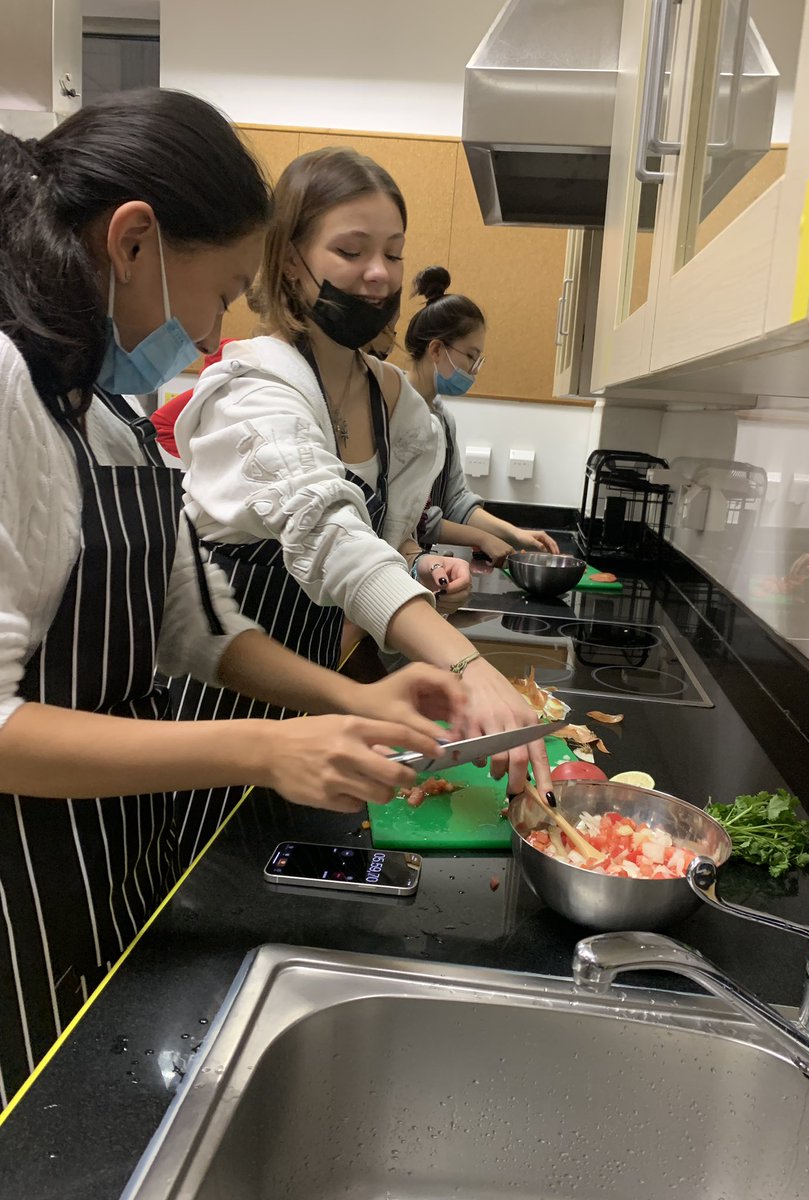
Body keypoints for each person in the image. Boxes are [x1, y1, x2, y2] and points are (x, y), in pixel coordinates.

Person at [0, 90, 464, 1107]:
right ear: (132, 242)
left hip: (118, 860)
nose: (215, 327)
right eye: (218, 292)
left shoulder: (108, 414)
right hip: (20, 890)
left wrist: (354, 698)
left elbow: (193, 622)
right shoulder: (5, 394)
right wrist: (261, 748)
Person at [170, 147, 552, 851]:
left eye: (394, 253)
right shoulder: (255, 389)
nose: (379, 274)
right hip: (223, 715)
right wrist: (465, 662)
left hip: (326, 706)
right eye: (351, 251)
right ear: (290, 260)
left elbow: (380, 543)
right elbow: (327, 534)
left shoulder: (395, 405)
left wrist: (418, 567)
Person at [404, 266, 560, 565]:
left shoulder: (443, 419)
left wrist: (515, 534)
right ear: (436, 350)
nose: (474, 370)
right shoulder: (394, 409)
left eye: (478, 360)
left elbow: (455, 500)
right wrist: (481, 538)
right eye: (470, 356)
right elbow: (411, 516)